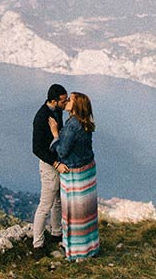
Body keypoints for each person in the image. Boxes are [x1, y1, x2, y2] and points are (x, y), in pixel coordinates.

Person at [49, 91, 99, 261]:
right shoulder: (85, 123)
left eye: (70, 100)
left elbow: (62, 152)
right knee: (87, 211)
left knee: (74, 212)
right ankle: (90, 247)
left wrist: (55, 135)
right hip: (88, 170)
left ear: (76, 106)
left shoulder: (73, 125)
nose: (67, 101)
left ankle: (76, 251)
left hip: (75, 174)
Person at [31, 83, 68, 252]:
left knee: (58, 201)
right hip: (49, 165)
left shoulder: (57, 111)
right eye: (63, 101)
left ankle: (56, 233)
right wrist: (56, 164)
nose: (66, 103)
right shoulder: (41, 118)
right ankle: (37, 244)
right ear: (53, 101)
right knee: (45, 204)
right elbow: (37, 149)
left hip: (58, 161)